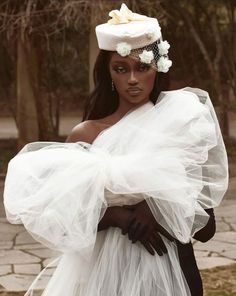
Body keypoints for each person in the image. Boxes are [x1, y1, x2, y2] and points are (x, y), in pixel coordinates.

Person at [4, 3, 228, 296]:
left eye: (142, 67)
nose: (133, 79)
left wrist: (158, 208)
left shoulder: (180, 126)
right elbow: (62, 223)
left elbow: (206, 227)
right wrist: (117, 217)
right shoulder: (87, 135)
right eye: (121, 69)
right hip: (104, 279)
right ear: (108, 73)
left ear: (157, 69)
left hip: (172, 276)